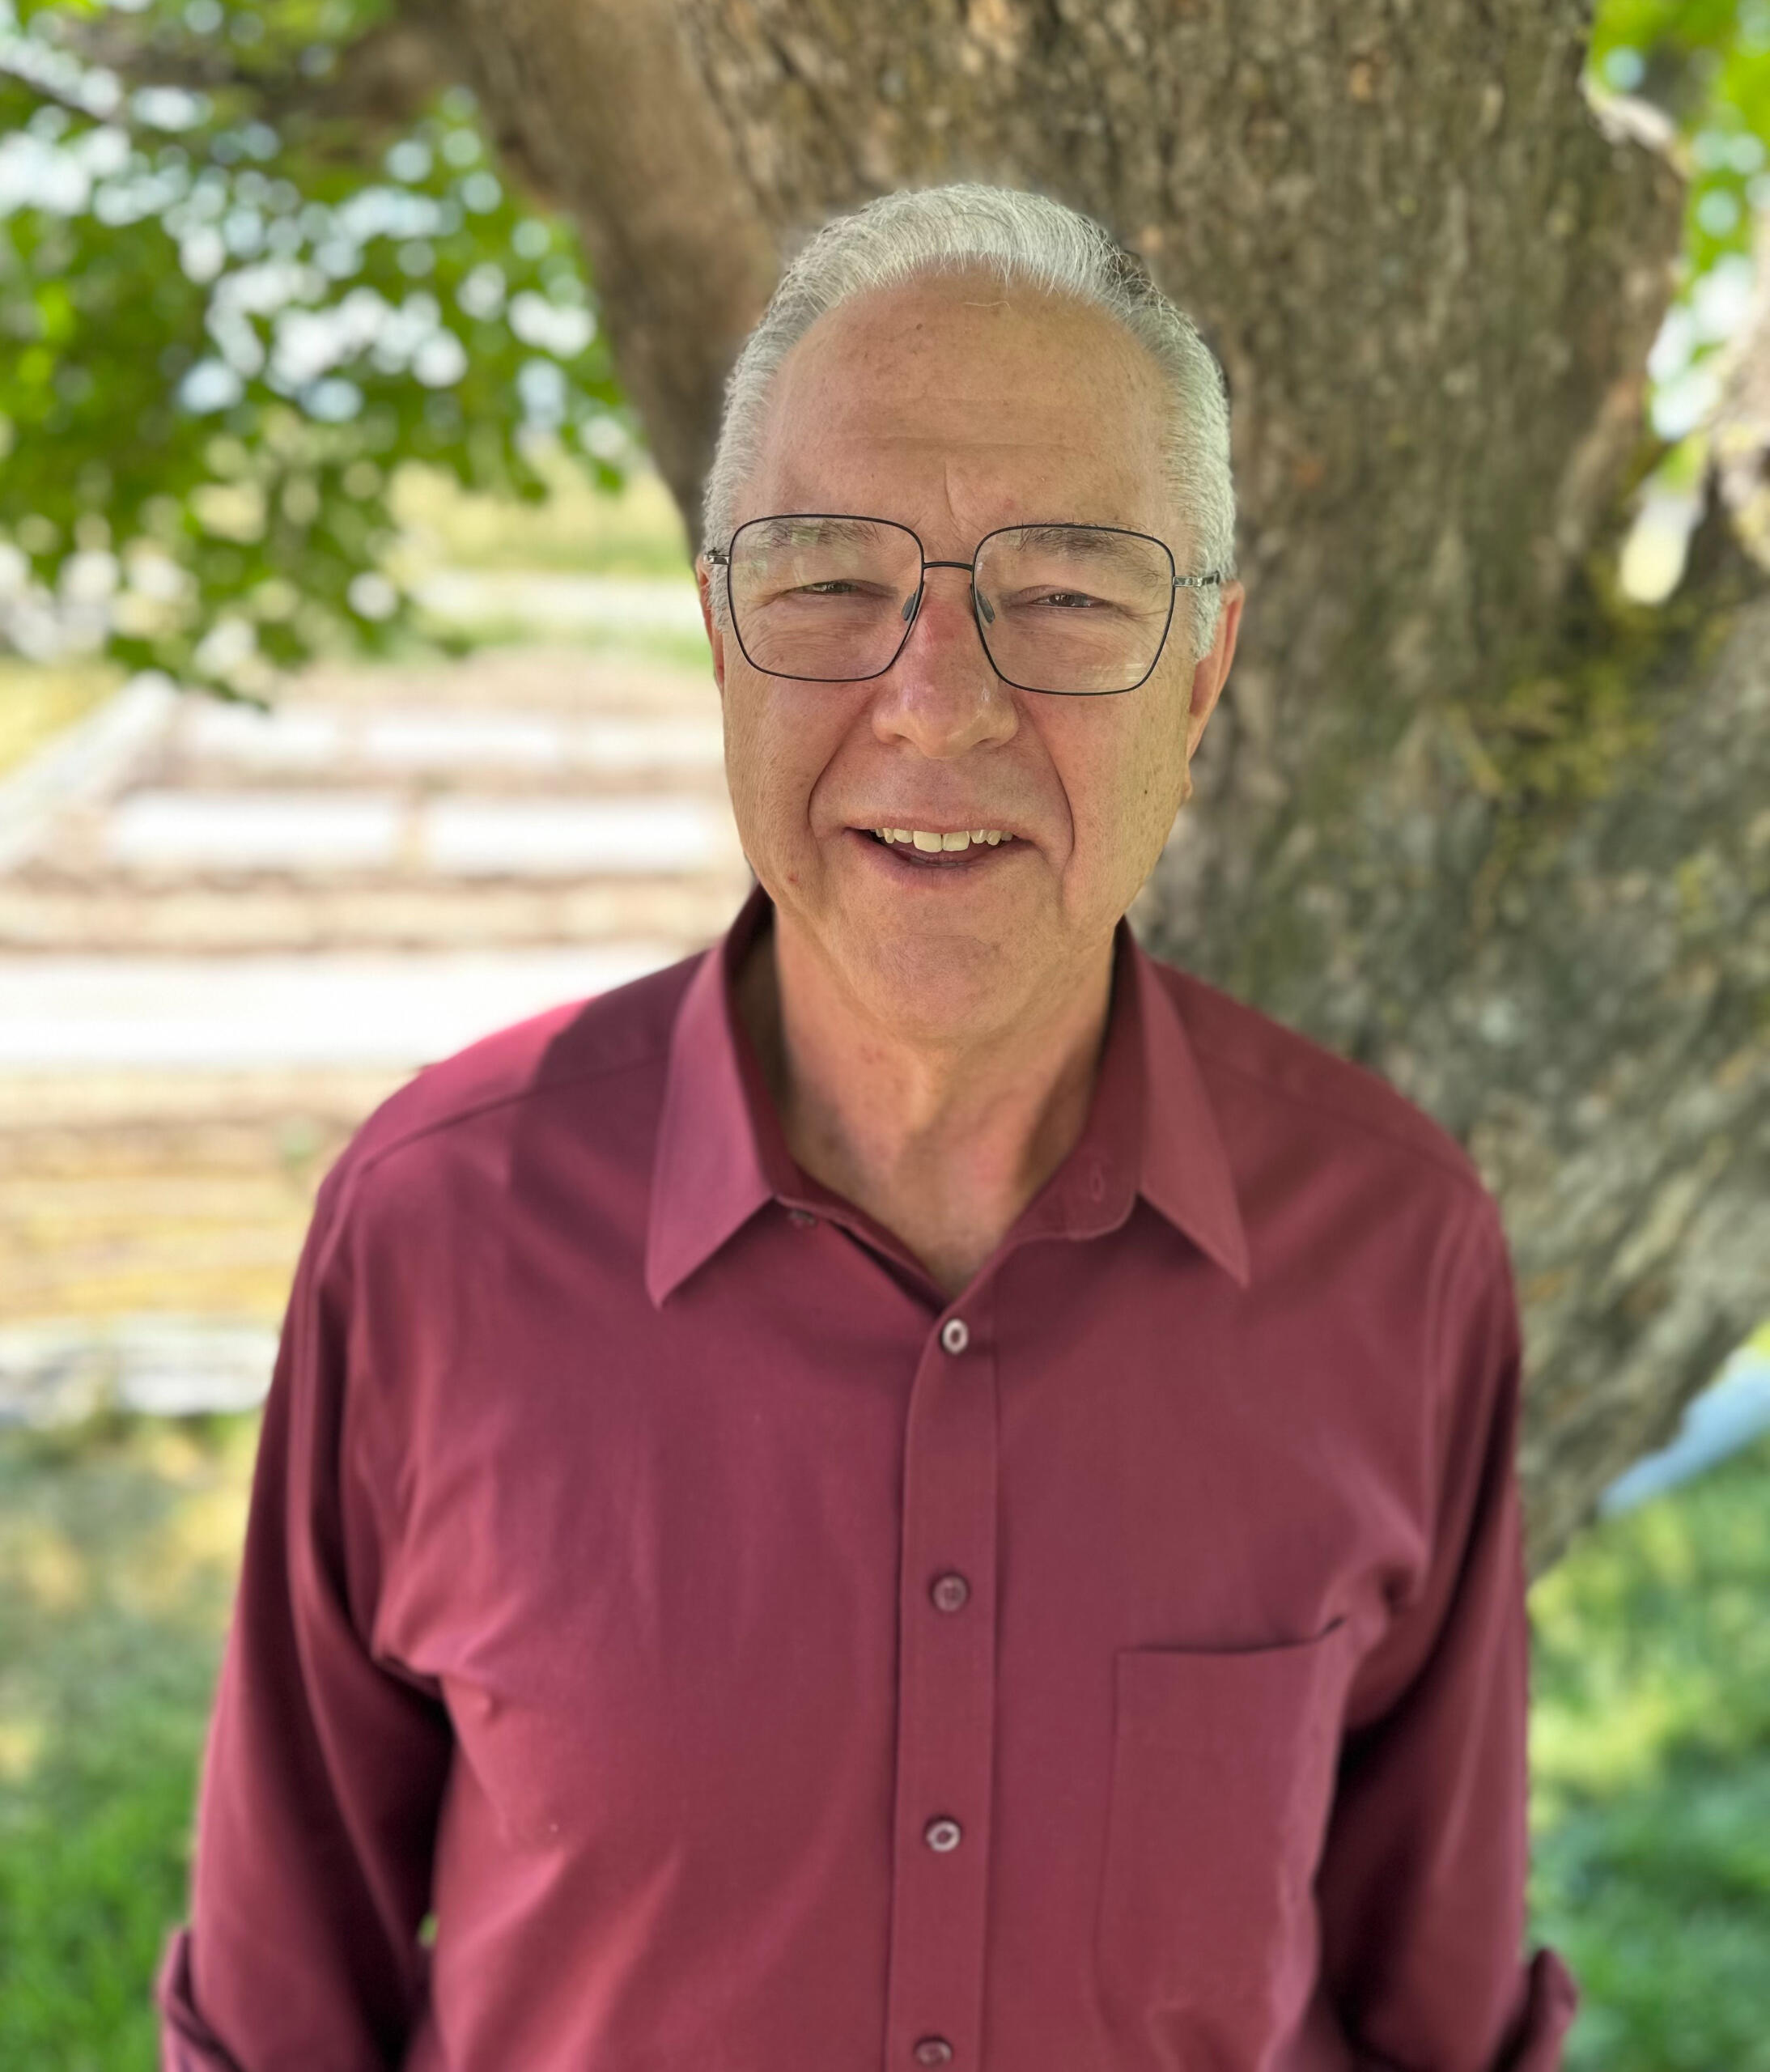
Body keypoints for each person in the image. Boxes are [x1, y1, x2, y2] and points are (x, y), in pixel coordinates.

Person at [156, 182, 1579, 2071]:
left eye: (1064, 594)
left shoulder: (1390, 1250)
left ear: (1202, 670)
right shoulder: (431, 1232)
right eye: (830, 583)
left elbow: (1438, 2018)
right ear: (720, 637)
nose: (937, 705)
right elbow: (274, 2018)